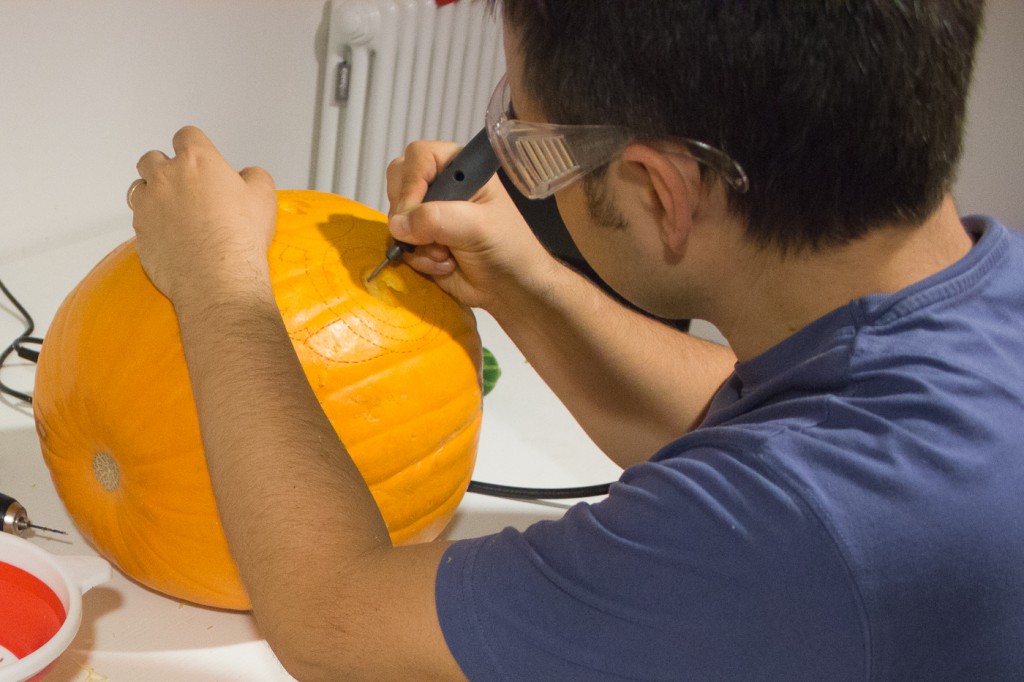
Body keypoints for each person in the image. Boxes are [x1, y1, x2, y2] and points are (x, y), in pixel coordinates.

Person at [127, 1, 1024, 679]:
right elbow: (751, 423)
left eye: (532, 136)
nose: (517, 159)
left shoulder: (783, 535)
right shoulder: (980, 304)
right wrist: (525, 283)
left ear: (660, 193)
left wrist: (222, 287)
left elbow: (330, 617)